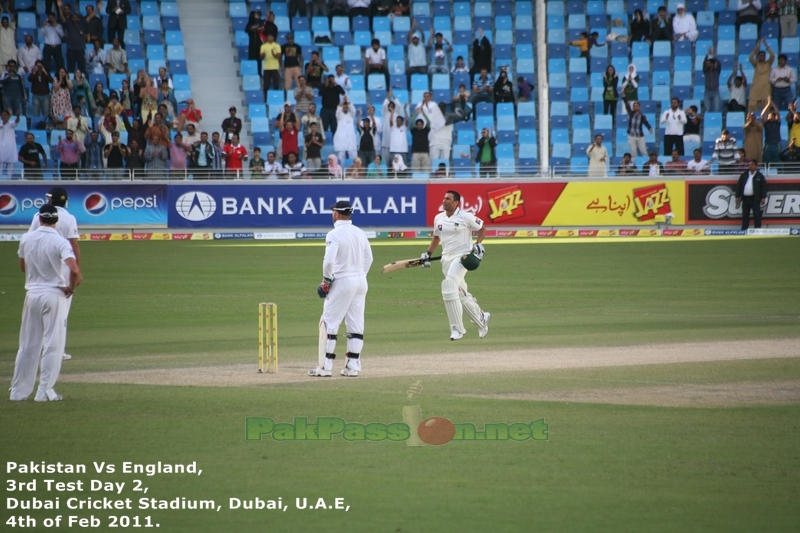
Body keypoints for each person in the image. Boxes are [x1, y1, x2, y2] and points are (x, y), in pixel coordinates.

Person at [10, 204, 82, 402]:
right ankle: (44, 392)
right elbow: (75, 271)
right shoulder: (60, 242)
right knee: (53, 344)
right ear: (56, 220)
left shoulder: (26, 238)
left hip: (31, 294)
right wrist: (71, 288)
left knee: (27, 345)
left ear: (39, 219)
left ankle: (18, 392)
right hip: (54, 294)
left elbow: (23, 267)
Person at [309, 200, 373, 378]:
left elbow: (329, 262)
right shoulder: (360, 232)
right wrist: (360, 275)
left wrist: (326, 281)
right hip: (361, 281)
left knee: (328, 322)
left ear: (336, 214)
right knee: (355, 324)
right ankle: (352, 367)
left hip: (342, 280)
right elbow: (369, 259)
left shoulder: (334, 234)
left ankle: (325, 367)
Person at [421, 190, 489, 341]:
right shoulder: (438, 218)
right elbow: (436, 237)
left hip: (463, 257)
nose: (444, 201)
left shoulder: (465, 216)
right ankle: (481, 319)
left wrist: (478, 244)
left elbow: (482, 228)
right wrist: (428, 253)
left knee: (448, 286)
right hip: (446, 259)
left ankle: (457, 329)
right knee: (459, 293)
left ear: (456, 202)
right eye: (444, 198)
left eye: (448, 199)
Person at [28, 187, 81, 362]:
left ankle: (38, 350)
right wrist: (77, 270)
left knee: (38, 315)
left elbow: (30, 241)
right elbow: (74, 247)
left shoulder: (38, 216)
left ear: (51, 200)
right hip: (63, 271)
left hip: (40, 271)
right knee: (60, 314)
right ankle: (57, 351)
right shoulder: (69, 218)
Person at [735, 160, 768, 230]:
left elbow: (763, 187)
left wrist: (763, 197)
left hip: (755, 199)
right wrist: (737, 196)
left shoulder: (760, 176)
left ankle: (757, 229)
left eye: (752, 164)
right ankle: (744, 229)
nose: (750, 166)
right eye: (749, 165)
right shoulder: (744, 175)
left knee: (756, 215)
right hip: (745, 199)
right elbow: (739, 186)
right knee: (745, 215)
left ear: (756, 166)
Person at [749, 40, 775, 112]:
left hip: (766, 87)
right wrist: (757, 47)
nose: (762, 57)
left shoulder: (768, 63)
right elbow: (750, 58)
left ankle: (766, 121)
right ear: (758, 57)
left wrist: (766, 46)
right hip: (756, 87)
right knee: (752, 105)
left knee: (766, 106)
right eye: (760, 56)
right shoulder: (756, 64)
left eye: (763, 56)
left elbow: (772, 55)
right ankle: (751, 121)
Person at [334, 98, 358, 163]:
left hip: (350, 137)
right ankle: (341, 171)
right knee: (341, 154)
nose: (345, 108)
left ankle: (354, 169)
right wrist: (342, 102)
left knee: (352, 153)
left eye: (346, 107)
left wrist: (347, 101)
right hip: (341, 137)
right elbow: (338, 111)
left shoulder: (351, 115)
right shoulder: (339, 116)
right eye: (344, 107)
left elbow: (353, 110)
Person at [260, 33, 281, 101]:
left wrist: (273, 54)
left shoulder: (277, 45)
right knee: (266, 85)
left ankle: (276, 98)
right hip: (267, 68)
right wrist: (263, 55)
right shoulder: (263, 46)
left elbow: (278, 56)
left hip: (275, 68)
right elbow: (261, 57)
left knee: (276, 84)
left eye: (271, 37)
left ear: (273, 38)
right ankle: (266, 99)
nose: (269, 38)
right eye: (268, 37)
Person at [762, 98, 783, 166]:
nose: (769, 117)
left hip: (776, 145)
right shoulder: (766, 123)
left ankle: (780, 174)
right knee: (766, 160)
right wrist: (768, 104)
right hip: (768, 145)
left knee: (779, 160)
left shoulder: (777, 123)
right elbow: (762, 115)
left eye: (771, 116)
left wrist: (772, 102)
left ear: (774, 117)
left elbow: (777, 112)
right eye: (768, 116)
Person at [0, 108, 20, 178]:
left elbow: (17, 121)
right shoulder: (0, 123)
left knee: (10, 166)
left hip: (10, 147)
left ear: (8, 116)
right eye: (2, 115)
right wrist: (10, 115)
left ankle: (9, 180)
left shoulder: (11, 123)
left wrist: (18, 116)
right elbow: (3, 125)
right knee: (1, 166)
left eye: (5, 115)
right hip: (1, 147)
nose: (3, 116)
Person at [703, 48, 722, 113]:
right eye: (707, 63)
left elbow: (719, 64)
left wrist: (713, 55)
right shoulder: (706, 71)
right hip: (707, 92)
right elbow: (703, 64)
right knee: (707, 110)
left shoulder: (717, 71)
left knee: (717, 109)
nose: (707, 64)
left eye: (708, 63)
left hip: (715, 91)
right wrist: (707, 55)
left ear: (712, 64)